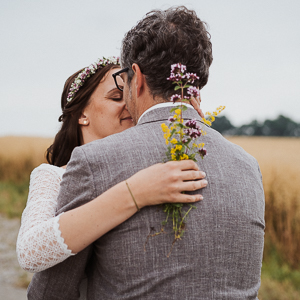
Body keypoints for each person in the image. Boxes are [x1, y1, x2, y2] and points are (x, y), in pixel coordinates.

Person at [28, 6, 265, 300]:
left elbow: (50, 293)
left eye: (123, 84)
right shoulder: (249, 167)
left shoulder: (95, 162)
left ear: (136, 77)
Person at [17, 57, 207, 273]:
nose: (129, 104)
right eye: (117, 97)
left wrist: (188, 116)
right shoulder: (52, 176)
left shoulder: (154, 169)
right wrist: (135, 194)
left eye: (131, 96)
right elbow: (29, 253)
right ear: (81, 114)